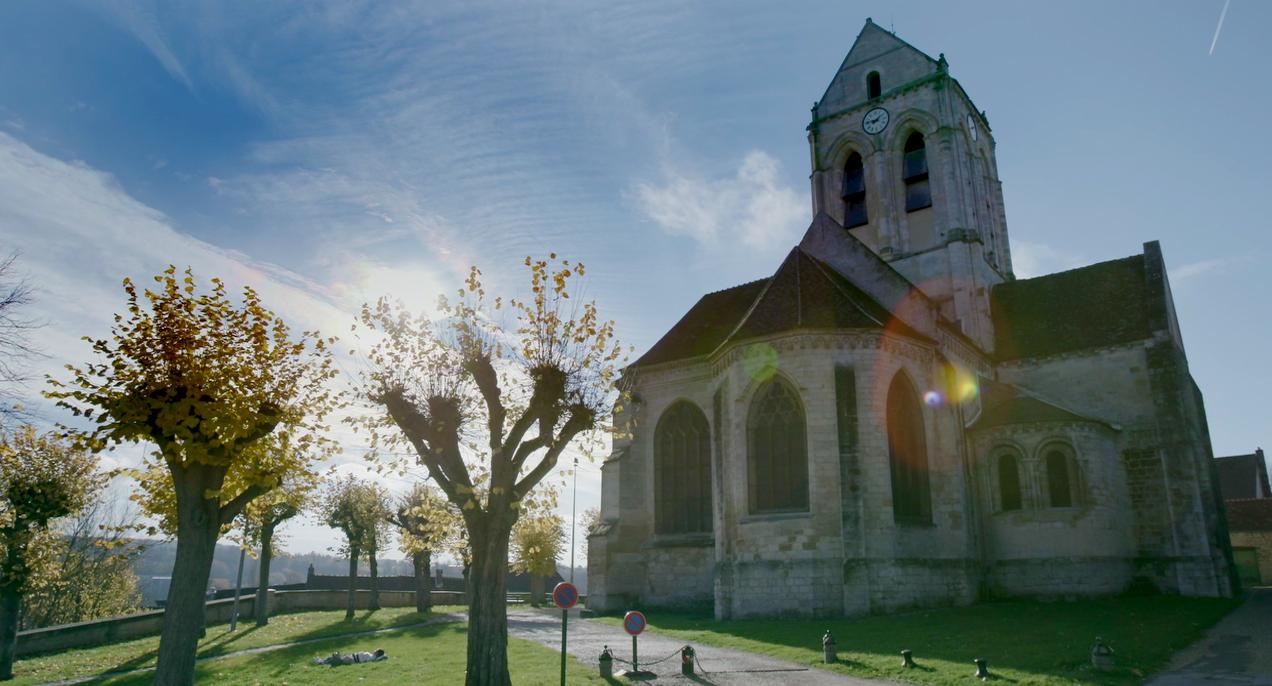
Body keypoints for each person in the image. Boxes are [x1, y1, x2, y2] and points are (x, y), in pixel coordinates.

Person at [312, 648, 388, 666]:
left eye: (376, 650)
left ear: (377, 653)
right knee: (334, 657)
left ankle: (320, 662)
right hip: (351, 656)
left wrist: (382, 656)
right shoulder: (371, 656)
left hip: (351, 659)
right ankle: (321, 661)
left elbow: (383, 657)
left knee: (335, 658)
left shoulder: (372, 658)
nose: (374, 650)